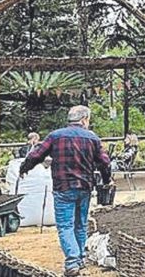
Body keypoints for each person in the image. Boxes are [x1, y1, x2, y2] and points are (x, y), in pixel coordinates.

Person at [20, 106, 111, 276]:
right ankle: (80, 259)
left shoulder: (56, 136)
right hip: (84, 187)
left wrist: (24, 169)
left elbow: (36, 155)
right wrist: (106, 180)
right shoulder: (92, 138)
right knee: (81, 224)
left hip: (63, 187)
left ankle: (72, 263)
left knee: (65, 225)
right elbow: (105, 163)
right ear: (84, 119)